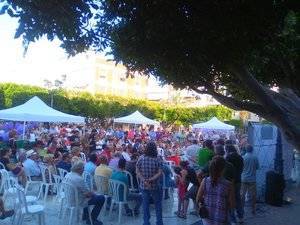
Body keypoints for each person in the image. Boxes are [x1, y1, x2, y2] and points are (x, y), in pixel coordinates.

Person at [196, 156, 235, 225]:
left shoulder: (205, 181)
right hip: (222, 218)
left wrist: (202, 204)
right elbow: (232, 205)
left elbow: (198, 199)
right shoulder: (228, 184)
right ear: (223, 169)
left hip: (207, 217)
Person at [65, 161, 105, 225]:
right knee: (101, 198)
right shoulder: (79, 179)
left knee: (88, 195)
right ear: (79, 169)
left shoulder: (68, 174)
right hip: (77, 201)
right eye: (83, 168)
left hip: (68, 198)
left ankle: (85, 216)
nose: (84, 170)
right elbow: (88, 194)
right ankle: (92, 219)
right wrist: (94, 193)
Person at [136, 142, 163, 225]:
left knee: (145, 205)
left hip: (144, 185)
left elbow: (137, 171)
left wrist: (145, 180)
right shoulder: (158, 158)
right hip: (155, 185)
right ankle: (159, 222)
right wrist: (150, 180)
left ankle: (146, 222)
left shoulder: (141, 158)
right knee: (158, 204)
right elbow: (160, 172)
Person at [225, 144, 244, 223]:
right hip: (238, 180)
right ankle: (241, 217)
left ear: (227, 150)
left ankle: (233, 219)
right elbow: (242, 168)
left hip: (230, 181)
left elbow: (226, 170)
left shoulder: (228, 158)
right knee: (238, 198)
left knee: (230, 199)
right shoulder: (240, 157)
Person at [241, 145, 259, 215]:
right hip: (252, 179)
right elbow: (257, 167)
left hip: (244, 178)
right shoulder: (255, 157)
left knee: (242, 195)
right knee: (253, 195)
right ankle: (253, 209)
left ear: (246, 149)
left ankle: (242, 209)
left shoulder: (243, 157)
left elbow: (241, 168)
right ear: (252, 150)